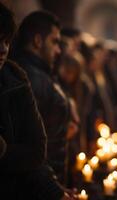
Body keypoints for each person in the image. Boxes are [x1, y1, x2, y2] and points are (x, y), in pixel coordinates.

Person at [0, 4, 75, 199]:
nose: (3, 49)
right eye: (55, 42)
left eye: (7, 41)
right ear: (37, 40)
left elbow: (36, 150)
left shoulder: (16, 78)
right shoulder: (25, 78)